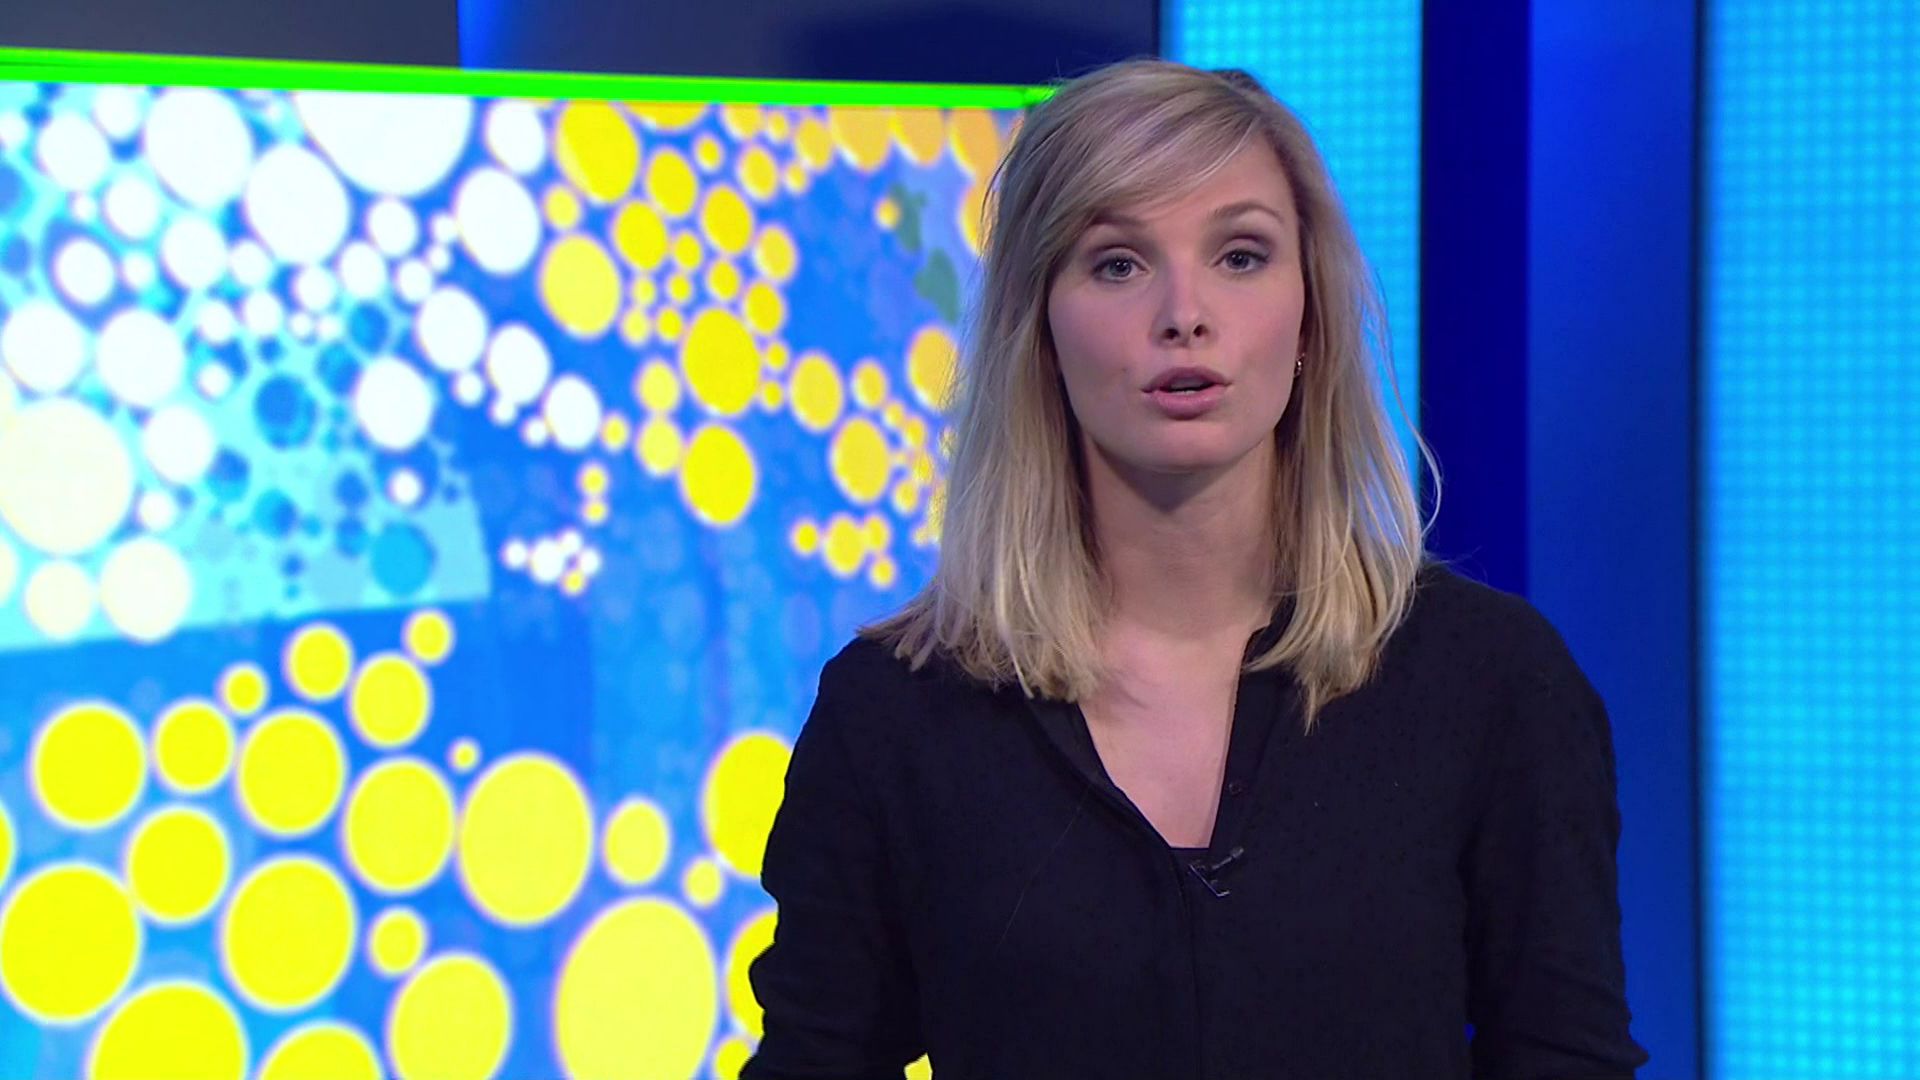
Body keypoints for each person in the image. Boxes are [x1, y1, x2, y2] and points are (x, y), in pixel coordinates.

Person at [741, 58, 1650, 1080]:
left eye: (1240, 255)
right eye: (1118, 264)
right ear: (1039, 329)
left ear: (1310, 314)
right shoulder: (896, 715)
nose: (1184, 312)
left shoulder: (1491, 683)